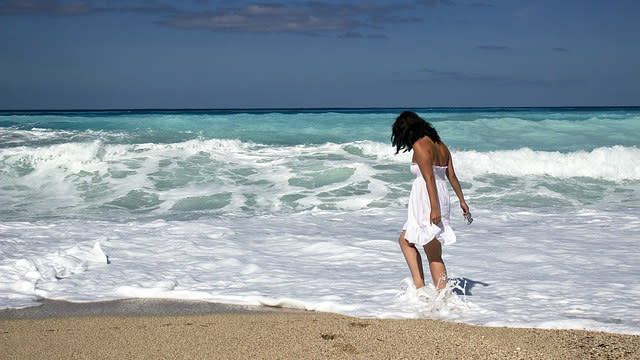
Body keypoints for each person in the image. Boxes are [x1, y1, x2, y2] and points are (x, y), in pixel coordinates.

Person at [391, 111, 469, 295]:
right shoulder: (442, 147)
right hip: (441, 197)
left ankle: (430, 293)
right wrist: (462, 200)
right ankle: (434, 293)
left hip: (428, 199)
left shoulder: (420, 145)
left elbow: (428, 179)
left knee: (424, 247)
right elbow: (452, 176)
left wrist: (434, 208)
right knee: (418, 244)